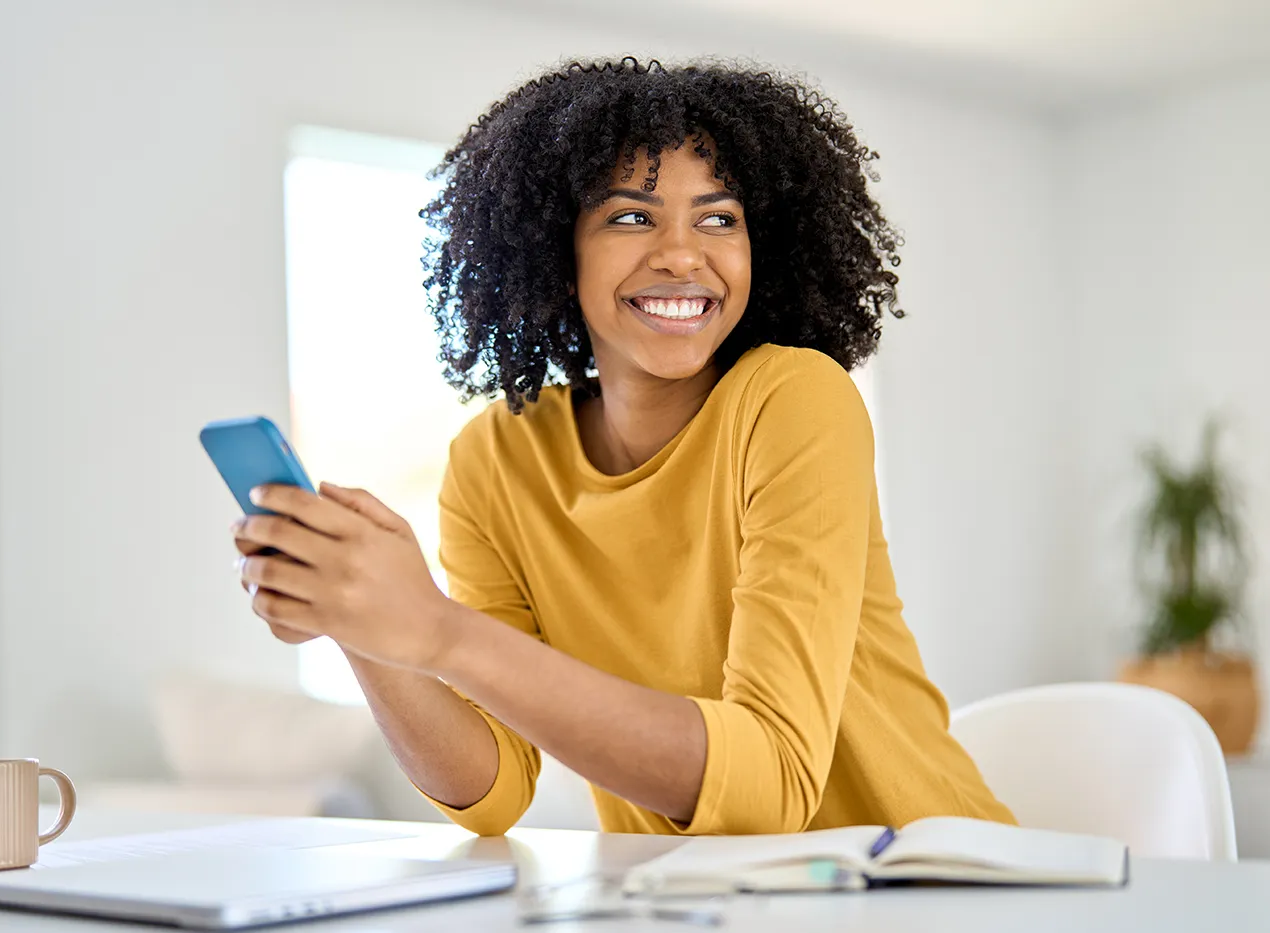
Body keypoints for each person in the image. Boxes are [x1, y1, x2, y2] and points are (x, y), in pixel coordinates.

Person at [231, 57, 1015, 836]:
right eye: (632, 216)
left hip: (932, 884)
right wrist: (365, 627)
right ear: (555, 250)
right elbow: (491, 789)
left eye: (719, 218)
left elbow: (771, 784)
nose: (682, 253)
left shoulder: (793, 399)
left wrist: (438, 629)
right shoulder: (497, 460)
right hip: (696, 903)